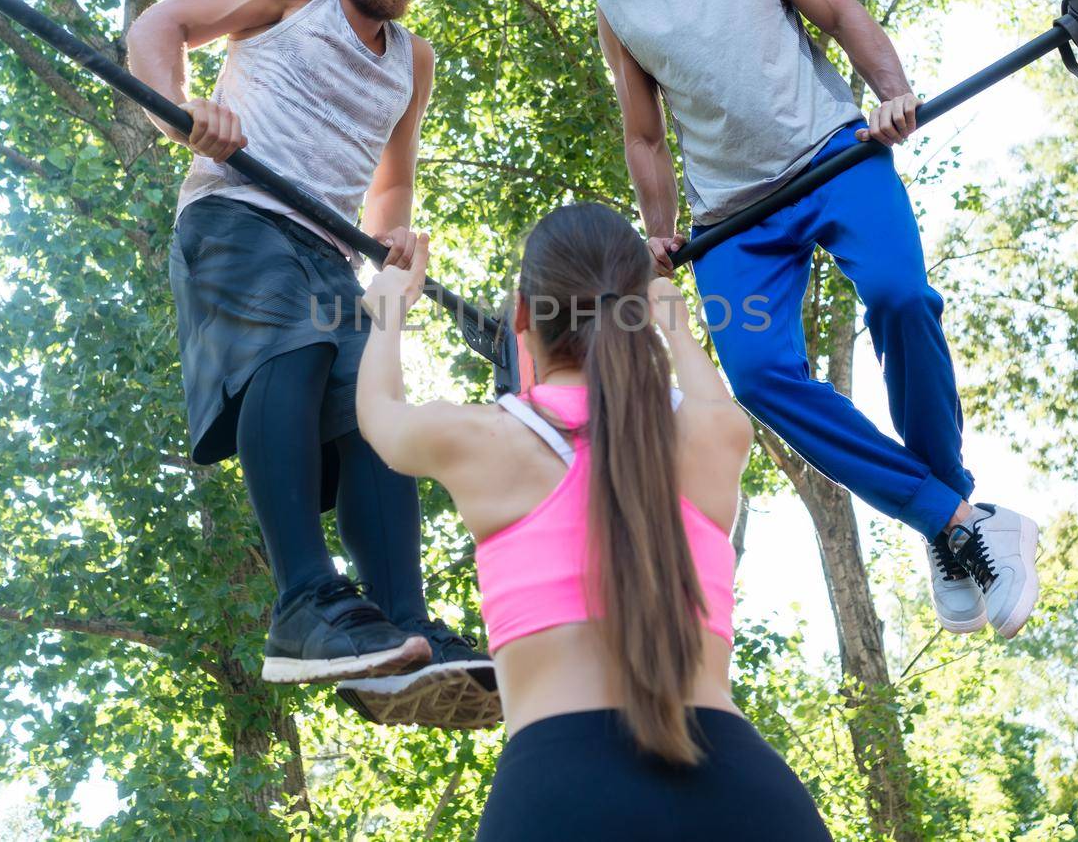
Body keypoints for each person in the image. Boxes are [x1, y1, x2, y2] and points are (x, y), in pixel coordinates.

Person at [563, 0, 1038, 638]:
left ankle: (945, 511)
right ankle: (954, 515)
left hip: (832, 157)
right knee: (757, 376)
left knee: (899, 297)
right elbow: (643, 134)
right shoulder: (618, 7)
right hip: (732, 222)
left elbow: (839, 9)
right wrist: (661, 232)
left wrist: (892, 93)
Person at [127, 0, 497, 728]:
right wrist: (183, 113)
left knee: (374, 404)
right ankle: (303, 601)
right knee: (292, 345)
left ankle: (400, 631)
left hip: (330, 252)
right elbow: (159, 26)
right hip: (237, 216)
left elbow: (391, 179)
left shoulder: (415, 59)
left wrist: (393, 251)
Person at [357, 203, 833, 840]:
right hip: (744, 796)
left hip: (560, 796)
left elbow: (381, 415)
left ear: (521, 314)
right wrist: (677, 325)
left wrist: (387, 307)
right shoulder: (715, 435)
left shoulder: (486, 438)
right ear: (642, 316)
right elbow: (711, 394)